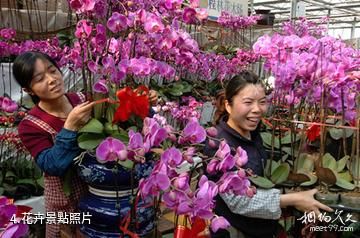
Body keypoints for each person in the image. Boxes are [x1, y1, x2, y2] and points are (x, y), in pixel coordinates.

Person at [205, 71, 333, 238]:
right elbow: (239, 201)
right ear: (228, 105)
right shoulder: (219, 145)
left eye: (262, 102)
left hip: (261, 228)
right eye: (248, 102)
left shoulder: (252, 134)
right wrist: (293, 199)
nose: (257, 109)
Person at [13, 51, 95, 237]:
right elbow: (52, 165)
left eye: (53, 71)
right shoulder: (30, 125)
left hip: (97, 194)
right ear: (29, 90)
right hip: (65, 206)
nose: (52, 80)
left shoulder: (82, 100)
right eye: (40, 78)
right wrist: (70, 127)